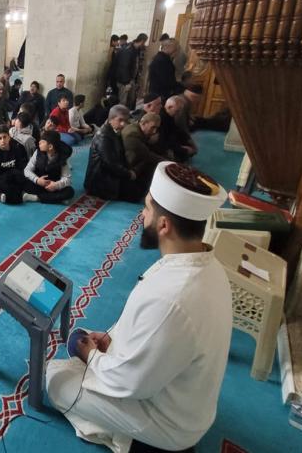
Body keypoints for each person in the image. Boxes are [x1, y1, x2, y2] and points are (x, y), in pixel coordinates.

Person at [46, 162, 231, 453]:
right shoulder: (206, 264)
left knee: (56, 379)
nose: (142, 215)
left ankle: (132, 442)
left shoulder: (173, 298)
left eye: (147, 208)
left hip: (168, 422)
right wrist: (111, 340)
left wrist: (89, 354)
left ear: (164, 225)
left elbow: (129, 383)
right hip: (187, 401)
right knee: (83, 352)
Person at [84, 104, 143, 202]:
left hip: (110, 174)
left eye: (126, 121)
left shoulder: (114, 131)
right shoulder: (103, 137)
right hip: (100, 181)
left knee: (139, 182)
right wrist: (129, 174)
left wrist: (129, 170)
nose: (123, 124)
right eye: (120, 120)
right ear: (111, 119)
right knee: (135, 194)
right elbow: (110, 164)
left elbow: (121, 155)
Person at [22, 130, 75, 204]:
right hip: (40, 183)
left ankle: (37, 198)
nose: (39, 143)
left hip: (54, 184)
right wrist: (37, 180)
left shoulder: (62, 156)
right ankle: (57, 199)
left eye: (42, 142)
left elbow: (67, 178)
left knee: (70, 191)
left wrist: (56, 185)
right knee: (23, 182)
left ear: (50, 147)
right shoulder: (38, 152)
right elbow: (27, 170)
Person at [122, 112, 167, 193]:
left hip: (135, 160)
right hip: (127, 166)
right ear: (143, 123)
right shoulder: (132, 135)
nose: (154, 131)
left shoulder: (137, 128)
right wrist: (166, 162)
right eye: (152, 127)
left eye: (156, 128)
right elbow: (147, 155)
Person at [0, 124, 30, 204]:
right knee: (4, 188)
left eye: (4, 137)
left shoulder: (16, 149)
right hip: (4, 181)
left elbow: (21, 167)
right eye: (0, 138)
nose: (3, 140)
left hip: (15, 177)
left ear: (9, 137)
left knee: (27, 182)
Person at [114, 33, 148, 109]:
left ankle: (128, 114)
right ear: (142, 41)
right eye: (144, 42)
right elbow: (123, 67)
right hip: (124, 81)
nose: (144, 45)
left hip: (130, 80)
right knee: (122, 102)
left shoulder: (136, 50)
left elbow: (135, 65)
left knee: (130, 100)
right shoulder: (128, 50)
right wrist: (126, 82)